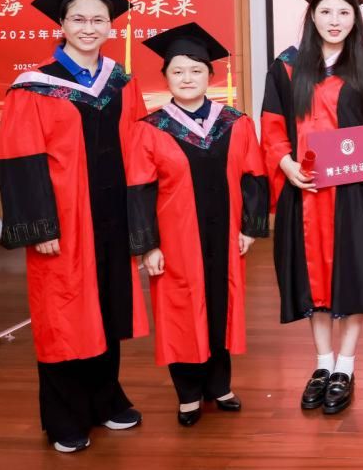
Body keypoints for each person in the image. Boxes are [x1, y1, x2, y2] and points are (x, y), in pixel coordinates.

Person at [0, 0, 148, 453]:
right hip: (64, 221)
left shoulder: (121, 82)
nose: (88, 28)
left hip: (112, 216)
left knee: (106, 306)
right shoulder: (33, 86)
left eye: (98, 19)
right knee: (62, 314)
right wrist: (39, 225)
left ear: (110, 26)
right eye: (78, 19)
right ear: (61, 24)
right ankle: (65, 415)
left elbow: (139, 148)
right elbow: (20, 158)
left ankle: (105, 399)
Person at [261, 0, 363, 415]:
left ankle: (346, 366)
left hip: (352, 190)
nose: (334, 20)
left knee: (352, 275)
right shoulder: (286, 66)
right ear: (312, 16)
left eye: (344, 12)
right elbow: (272, 124)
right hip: (304, 189)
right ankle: (322, 363)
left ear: (355, 18)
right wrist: (285, 163)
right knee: (312, 279)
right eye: (326, 12)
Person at [126, 24, 270, 427]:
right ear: (165, 77)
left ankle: (219, 385)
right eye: (177, 71)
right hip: (176, 241)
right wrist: (148, 245)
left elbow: (254, 176)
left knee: (221, 306)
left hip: (224, 236)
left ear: (211, 75)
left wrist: (249, 227)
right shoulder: (150, 128)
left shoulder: (236, 123)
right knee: (180, 310)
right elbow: (138, 189)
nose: (187, 78)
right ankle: (188, 394)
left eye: (195, 70)